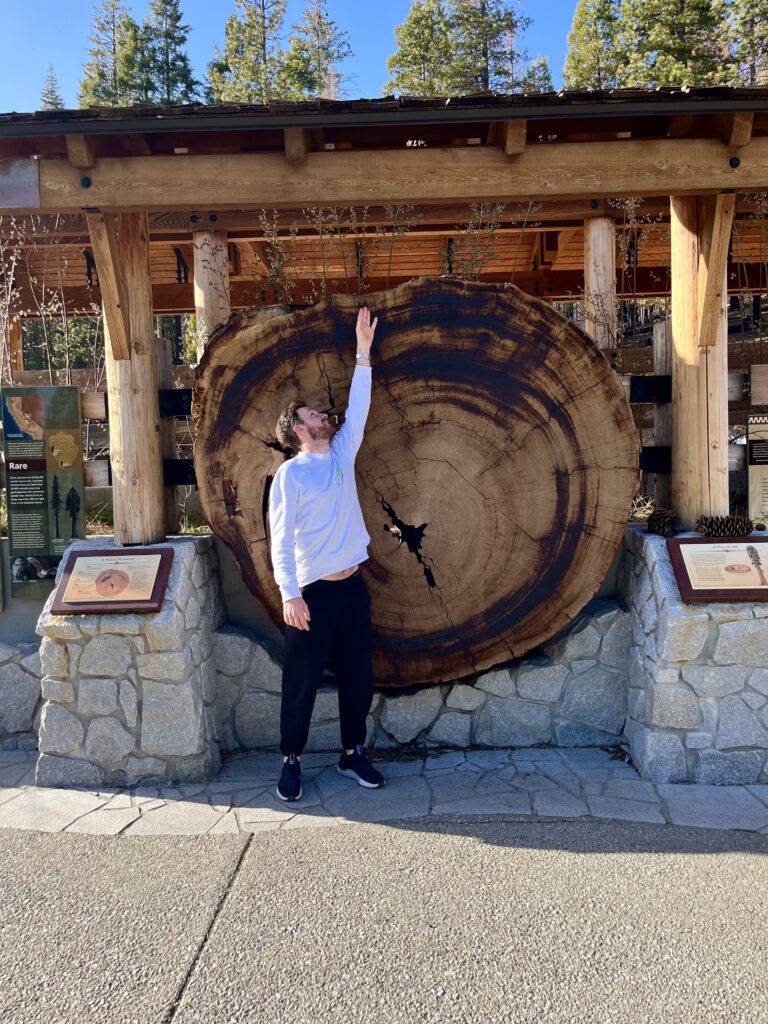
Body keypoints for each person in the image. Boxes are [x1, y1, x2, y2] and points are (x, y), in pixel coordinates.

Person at [269, 306, 384, 802]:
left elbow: (358, 408)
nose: (324, 415)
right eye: (314, 414)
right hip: (311, 595)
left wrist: (362, 350)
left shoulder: (340, 454)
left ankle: (351, 753)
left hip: (352, 588)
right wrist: (290, 595)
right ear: (297, 429)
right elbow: (279, 538)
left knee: (358, 676)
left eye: (321, 413)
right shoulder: (290, 475)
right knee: (302, 682)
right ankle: (291, 760)